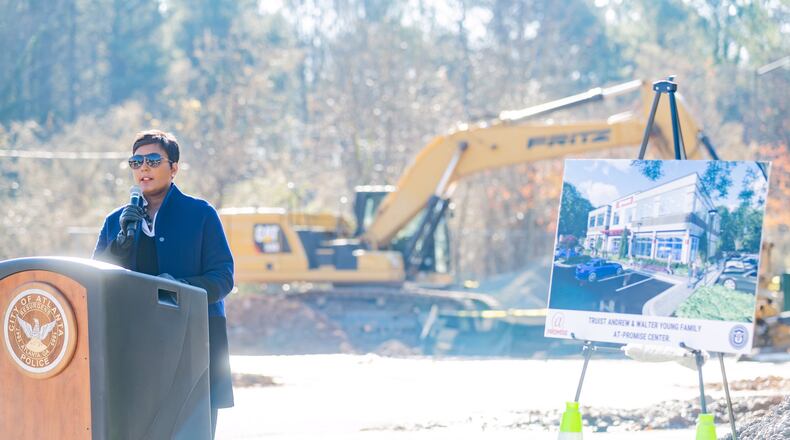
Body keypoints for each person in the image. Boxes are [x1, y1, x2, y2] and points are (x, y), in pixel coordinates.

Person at [92, 130, 234, 438]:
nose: (143, 168)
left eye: (153, 160)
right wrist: (121, 240)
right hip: (133, 347)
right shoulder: (116, 220)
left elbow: (223, 277)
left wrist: (180, 287)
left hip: (194, 342)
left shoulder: (201, 214)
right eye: (136, 161)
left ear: (174, 168)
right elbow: (95, 281)